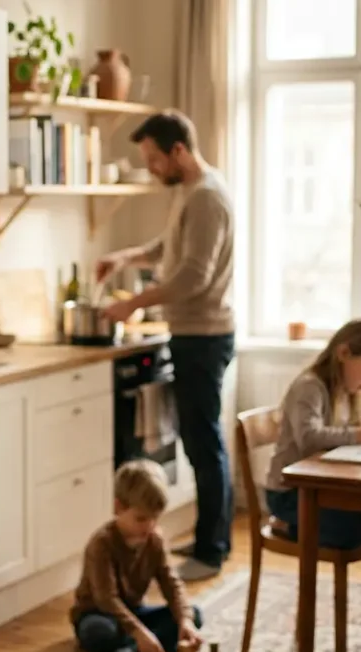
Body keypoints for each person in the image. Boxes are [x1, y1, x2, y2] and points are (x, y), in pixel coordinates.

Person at [96, 110, 236, 581]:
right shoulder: (192, 193)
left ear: (179, 150)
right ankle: (209, 540)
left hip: (205, 334)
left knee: (204, 444)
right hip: (195, 334)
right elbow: (168, 246)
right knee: (200, 442)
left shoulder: (208, 199)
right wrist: (127, 256)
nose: (151, 167)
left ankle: (212, 550)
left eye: (154, 158)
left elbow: (192, 277)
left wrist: (133, 303)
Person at [264, 317, 361, 549]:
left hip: (326, 487)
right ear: (343, 354)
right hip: (290, 492)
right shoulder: (310, 386)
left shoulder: (350, 389)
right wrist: (360, 434)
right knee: (356, 532)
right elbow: (309, 439)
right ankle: (286, 526)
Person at [71, 460, 204, 652]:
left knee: (193, 615)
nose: (149, 526)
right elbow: (107, 599)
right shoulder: (101, 544)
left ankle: (131, 650)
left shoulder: (154, 540)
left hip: (134, 613)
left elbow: (171, 583)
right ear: (118, 508)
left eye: (155, 519)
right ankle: (139, 645)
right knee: (97, 633)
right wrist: (139, 632)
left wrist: (184, 620)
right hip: (99, 613)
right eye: (141, 519)